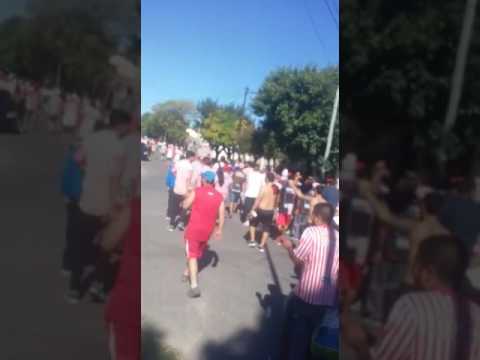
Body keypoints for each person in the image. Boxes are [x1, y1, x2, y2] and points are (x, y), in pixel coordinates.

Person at [345, 235, 480, 360]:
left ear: (428, 273)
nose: (412, 271)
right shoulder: (476, 313)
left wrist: (359, 343)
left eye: (415, 264)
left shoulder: (411, 305)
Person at [67, 109, 129, 303]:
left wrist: (88, 170)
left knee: (80, 245)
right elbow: (114, 180)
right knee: (106, 250)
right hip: (104, 206)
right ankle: (97, 286)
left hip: (86, 201)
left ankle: (74, 289)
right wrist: (114, 206)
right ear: (121, 125)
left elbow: (77, 159)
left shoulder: (92, 138)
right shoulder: (119, 147)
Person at [279, 203, 339, 360]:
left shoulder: (310, 232)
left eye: (312, 214)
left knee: (299, 339)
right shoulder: (338, 237)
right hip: (328, 297)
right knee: (315, 338)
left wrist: (289, 247)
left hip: (307, 295)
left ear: (318, 217)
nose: (310, 217)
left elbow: (298, 261)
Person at [181, 171, 225, 298]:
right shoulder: (219, 196)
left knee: (192, 255)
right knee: (193, 254)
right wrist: (219, 229)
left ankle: (194, 286)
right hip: (207, 231)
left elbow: (185, 205)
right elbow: (221, 215)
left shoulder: (197, 191)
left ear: (204, 180)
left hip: (194, 229)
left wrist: (187, 195)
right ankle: (186, 273)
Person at [248, 172, 279, 252]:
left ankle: (252, 241)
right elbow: (277, 201)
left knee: (253, 223)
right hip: (270, 211)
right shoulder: (276, 188)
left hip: (261, 210)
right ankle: (261, 246)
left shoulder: (264, 187)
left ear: (267, 178)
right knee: (266, 228)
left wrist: (252, 209)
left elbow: (258, 200)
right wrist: (275, 211)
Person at [168, 151, 195, 231]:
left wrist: (178, 177)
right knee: (185, 207)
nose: (193, 159)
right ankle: (181, 223)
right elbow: (188, 180)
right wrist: (189, 189)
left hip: (176, 188)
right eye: (193, 157)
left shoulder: (178, 163)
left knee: (174, 206)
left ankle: (172, 224)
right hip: (184, 190)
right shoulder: (190, 167)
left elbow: (173, 171)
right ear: (190, 157)